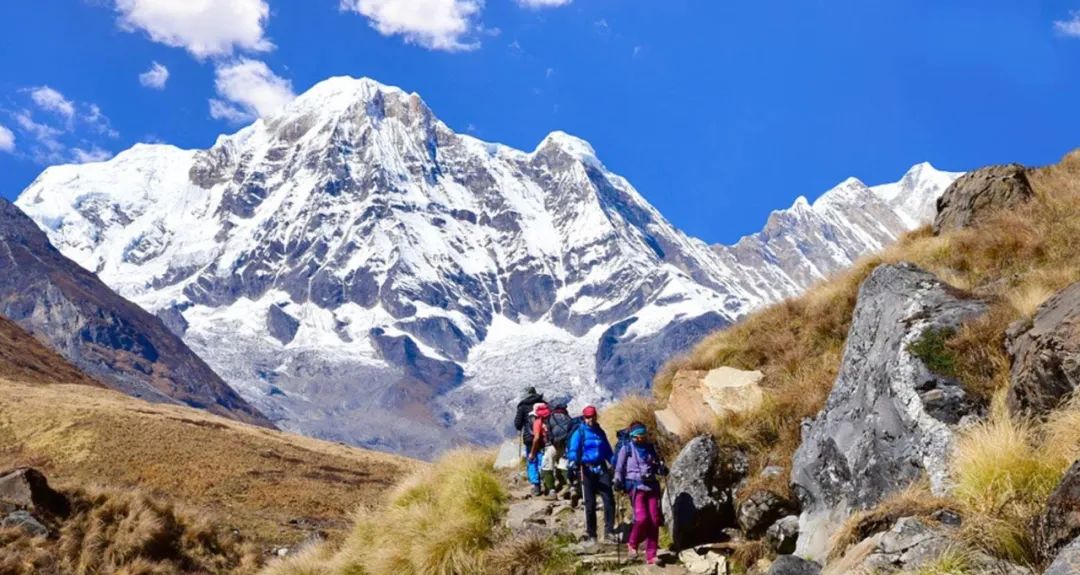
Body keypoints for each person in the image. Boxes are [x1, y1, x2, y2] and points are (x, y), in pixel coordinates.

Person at [613, 423, 668, 565]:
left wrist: (661, 469)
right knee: (642, 518)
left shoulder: (650, 448)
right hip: (635, 486)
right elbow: (618, 468)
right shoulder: (626, 449)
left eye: (644, 436)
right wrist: (618, 481)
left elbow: (655, 465)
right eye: (639, 436)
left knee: (655, 520)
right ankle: (632, 544)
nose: (642, 438)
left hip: (651, 486)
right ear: (633, 436)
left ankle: (652, 555)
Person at [566, 405, 616, 544]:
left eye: (592, 416)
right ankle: (591, 533)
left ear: (596, 416)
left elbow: (607, 450)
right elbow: (573, 449)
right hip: (585, 469)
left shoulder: (600, 432)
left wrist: (614, 464)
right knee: (590, 503)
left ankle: (609, 531)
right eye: (588, 417)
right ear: (584, 417)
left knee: (609, 500)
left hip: (601, 468)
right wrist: (573, 461)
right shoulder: (580, 432)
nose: (590, 419)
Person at [525, 402, 551, 496]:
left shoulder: (533, 419)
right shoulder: (549, 418)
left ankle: (536, 486)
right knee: (542, 464)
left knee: (532, 463)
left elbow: (534, 437)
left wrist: (532, 452)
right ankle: (547, 484)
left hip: (532, 444)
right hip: (544, 445)